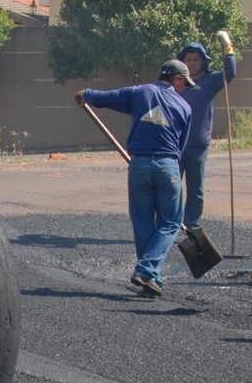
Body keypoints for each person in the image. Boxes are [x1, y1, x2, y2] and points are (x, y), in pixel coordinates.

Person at [76, 59, 194, 297]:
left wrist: (86, 94)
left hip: (139, 166)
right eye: (185, 84)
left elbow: (108, 98)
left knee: (143, 222)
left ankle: (151, 280)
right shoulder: (184, 107)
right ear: (177, 78)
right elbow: (181, 148)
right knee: (170, 223)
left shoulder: (140, 92)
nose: (185, 89)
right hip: (168, 167)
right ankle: (147, 270)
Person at [175, 29, 240, 237]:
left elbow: (230, 73)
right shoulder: (177, 82)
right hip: (175, 144)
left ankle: (192, 224)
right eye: (188, 59)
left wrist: (227, 46)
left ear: (203, 62)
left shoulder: (211, 81)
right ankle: (172, 224)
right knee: (173, 187)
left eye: (196, 60)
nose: (192, 63)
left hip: (198, 145)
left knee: (196, 188)